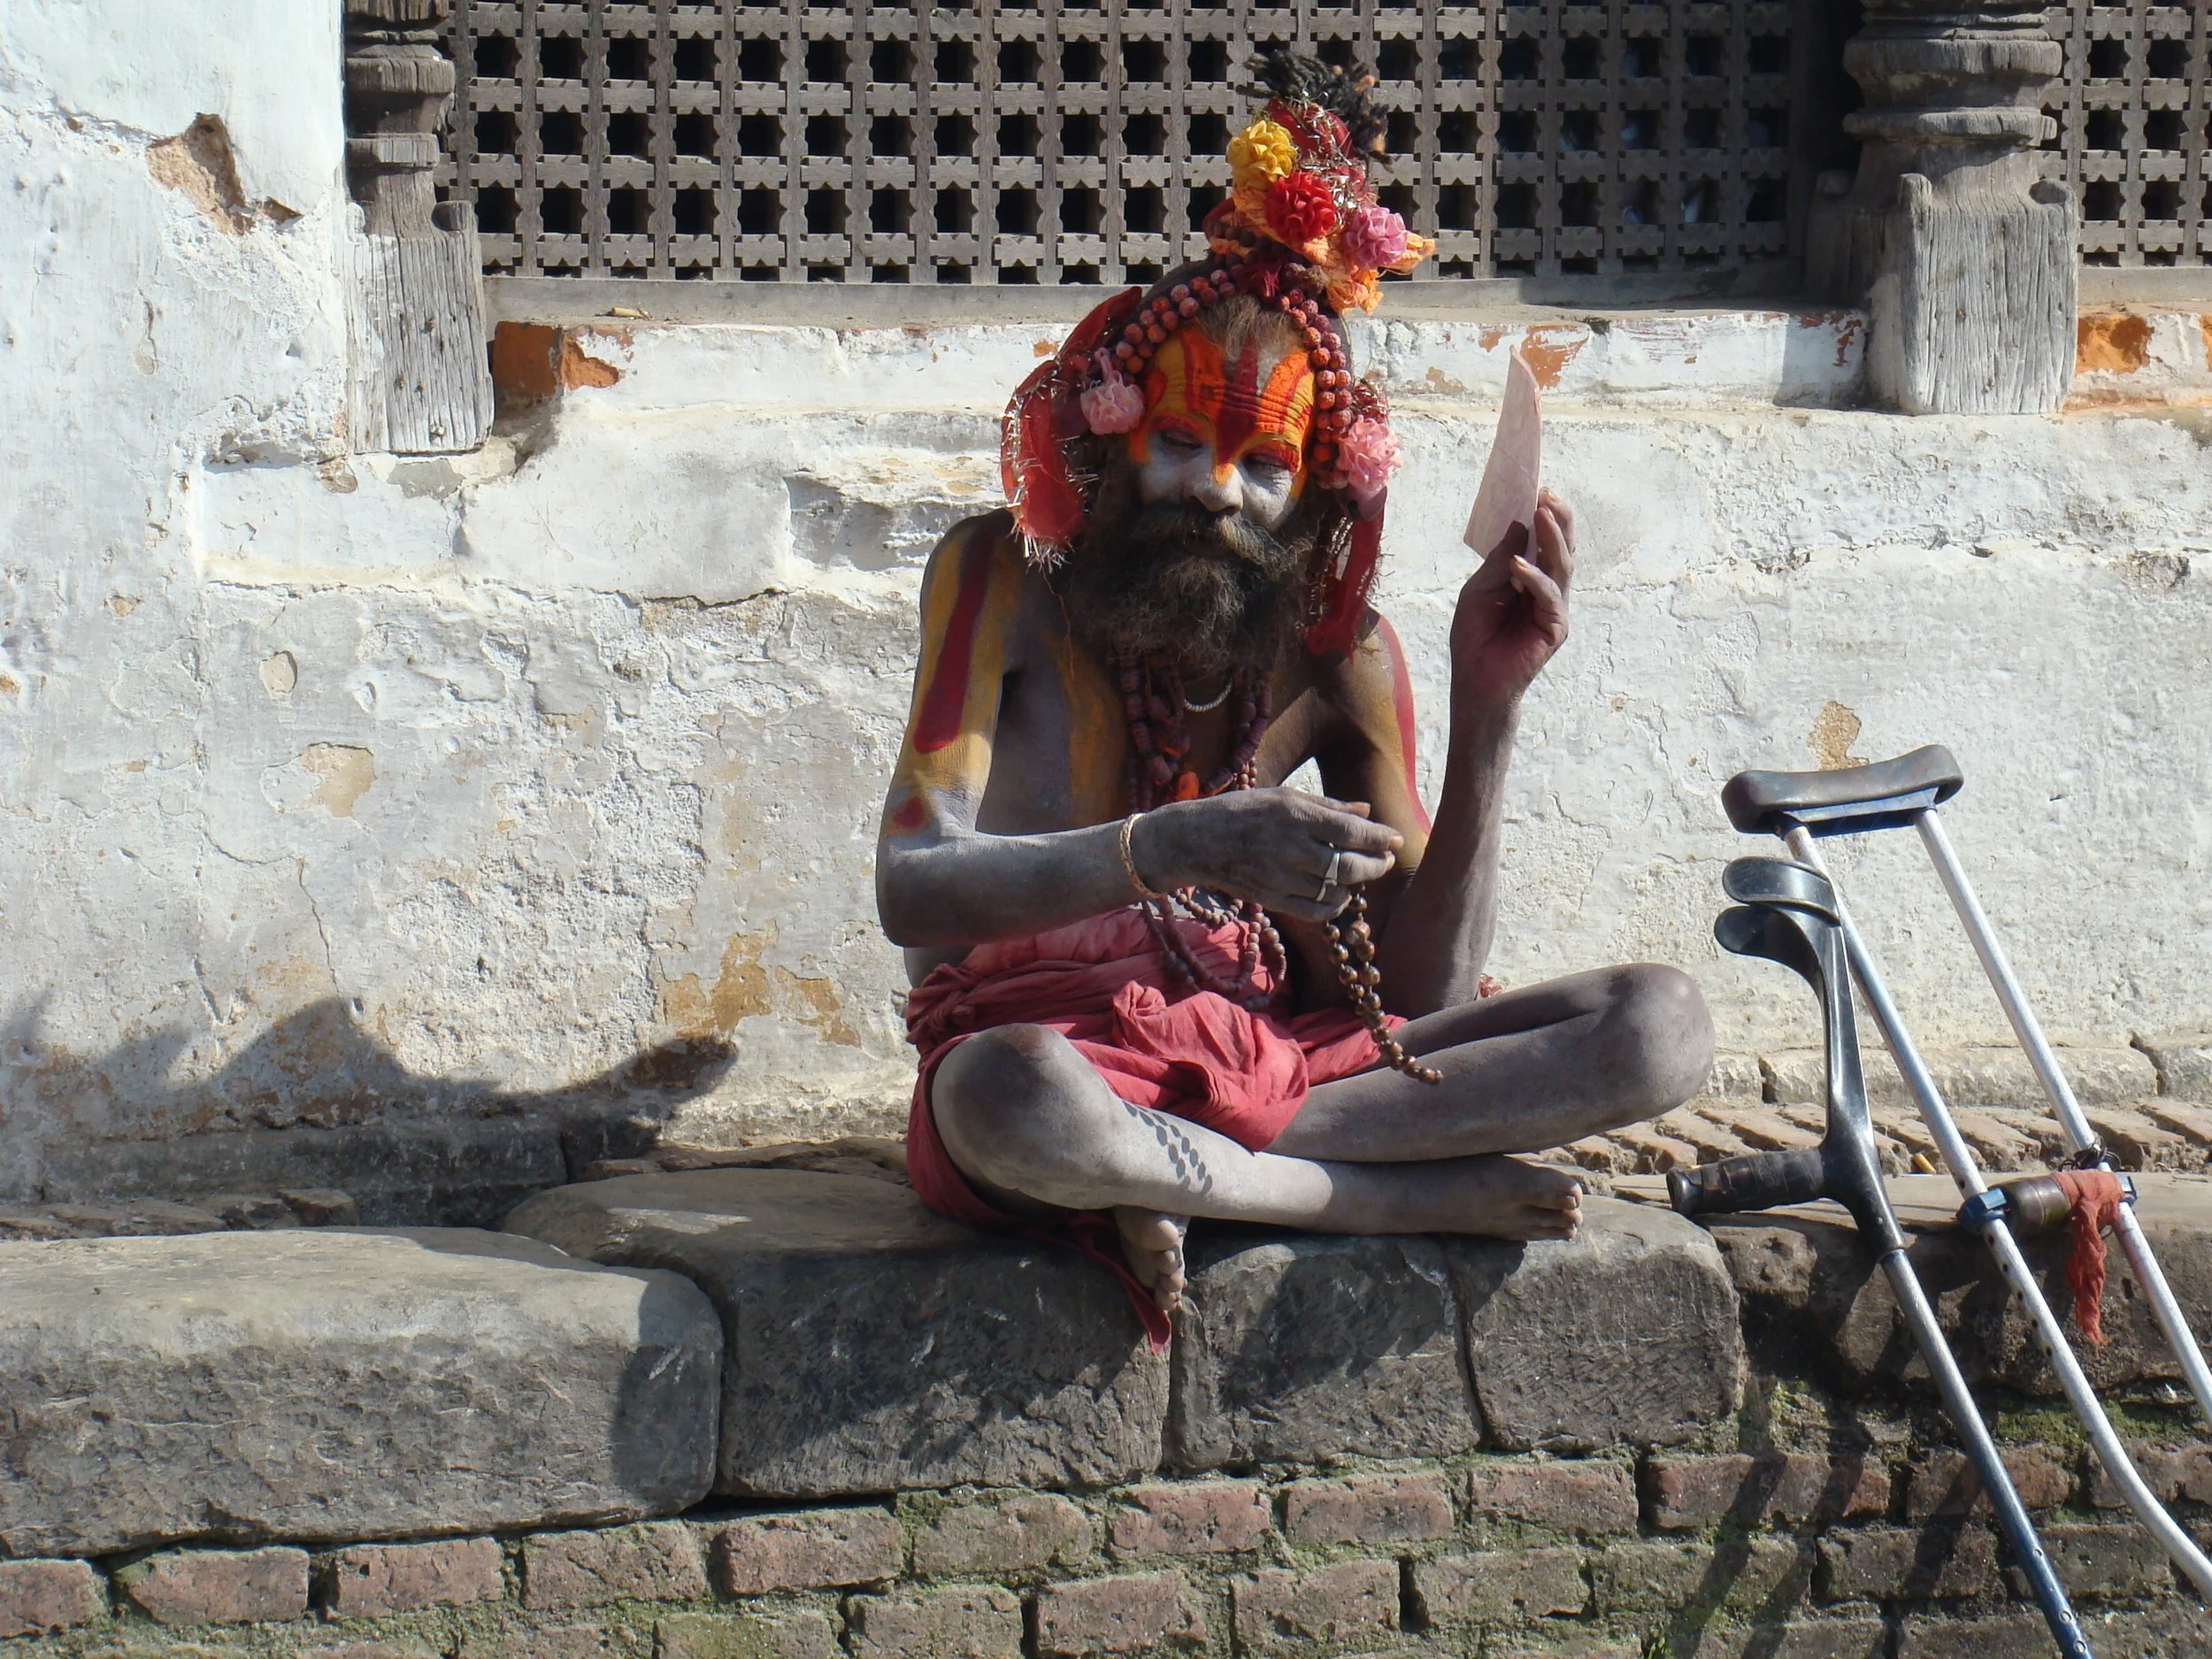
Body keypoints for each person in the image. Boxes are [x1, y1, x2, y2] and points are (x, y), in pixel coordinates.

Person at [876, 56, 1713, 1342]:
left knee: (1658, 1028)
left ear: (1316, 494)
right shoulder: (1000, 579)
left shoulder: (1340, 656)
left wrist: (1488, 705)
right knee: (1008, 1096)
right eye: (1175, 445)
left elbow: (1423, 997)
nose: (1215, 491)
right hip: (1058, 1059)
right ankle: (1363, 1200)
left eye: (1264, 466)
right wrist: (1175, 845)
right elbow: (913, 888)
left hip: (1276, 1071)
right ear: (1106, 440)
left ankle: (1169, 1182)